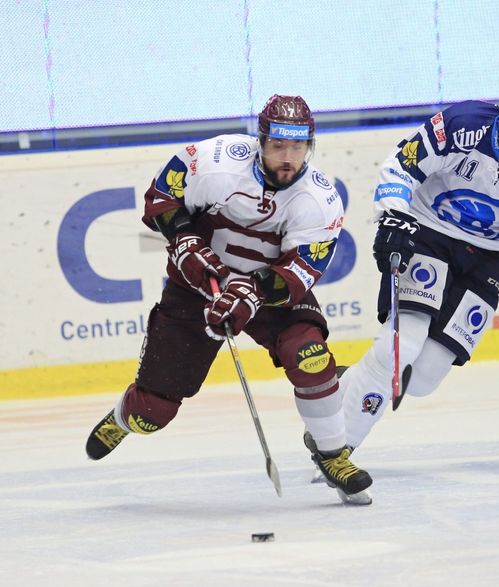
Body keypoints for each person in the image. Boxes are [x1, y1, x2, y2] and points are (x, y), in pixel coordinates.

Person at [85, 94, 373, 504]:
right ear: (260, 141)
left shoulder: (319, 199)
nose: (287, 157)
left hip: (269, 294)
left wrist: (251, 292)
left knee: (308, 353)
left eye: (297, 147)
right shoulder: (217, 159)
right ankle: (123, 418)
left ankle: (333, 455)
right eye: (277, 146)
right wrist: (184, 240)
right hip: (195, 287)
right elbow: (162, 195)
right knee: (152, 414)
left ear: (310, 146)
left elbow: (300, 272)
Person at [339, 76, 499, 450]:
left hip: (488, 259)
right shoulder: (463, 124)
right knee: (401, 345)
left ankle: (348, 384)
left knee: (423, 379)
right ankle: (337, 449)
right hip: (428, 233)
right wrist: (392, 215)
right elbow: (403, 164)